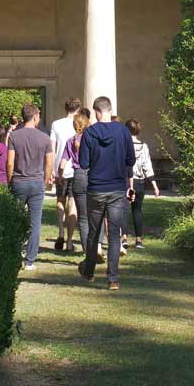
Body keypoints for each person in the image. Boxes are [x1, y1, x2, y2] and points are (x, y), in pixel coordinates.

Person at [76, 96, 135, 290]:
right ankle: (113, 278)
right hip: (117, 188)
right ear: (110, 109)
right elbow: (130, 160)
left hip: (96, 188)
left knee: (94, 232)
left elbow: (83, 163)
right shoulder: (124, 132)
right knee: (115, 235)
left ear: (96, 111)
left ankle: (90, 271)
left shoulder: (90, 133)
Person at [7, 103, 54, 271]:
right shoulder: (45, 138)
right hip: (36, 182)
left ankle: (14, 254)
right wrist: (45, 180)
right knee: (35, 223)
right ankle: (30, 260)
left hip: (18, 182)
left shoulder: (14, 136)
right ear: (35, 117)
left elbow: (10, 162)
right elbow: (49, 163)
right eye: (39, 115)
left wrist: (10, 180)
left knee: (15, 220)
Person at [50, 97, 83, 251]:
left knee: (60, 201)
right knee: (73, 204)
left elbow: (52, 148)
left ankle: (61, 232)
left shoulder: (56, 124)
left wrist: (50, 170)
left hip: (59, 169)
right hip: (76, 169)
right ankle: (70, 240)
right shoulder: (80, 124)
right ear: (78, 108)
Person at [126, 119, 160, 249]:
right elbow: (148, 166)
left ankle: (123, 238)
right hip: (140, 181)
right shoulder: (144, 146)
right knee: (137, 211)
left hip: (126, 180)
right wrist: (154, 185)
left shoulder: (124, 145)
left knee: (123, 210)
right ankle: (139, 240)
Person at [62, 111, 90, 254]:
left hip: (77, 176)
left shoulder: (70, 141)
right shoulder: (92, 140)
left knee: (83, 217)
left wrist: (60, 177)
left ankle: (86, 250)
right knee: (97, 213)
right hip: (93, 175)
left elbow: (62, 164)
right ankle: (96, 246)